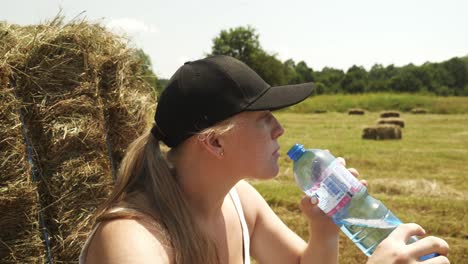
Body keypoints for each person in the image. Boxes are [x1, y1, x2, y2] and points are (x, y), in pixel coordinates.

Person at [79, 55, 450, 264]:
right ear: (214, 143)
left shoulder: (240, 202)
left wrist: (323, 229)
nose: (279, 130)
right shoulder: (133, 242)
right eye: (263, 118)